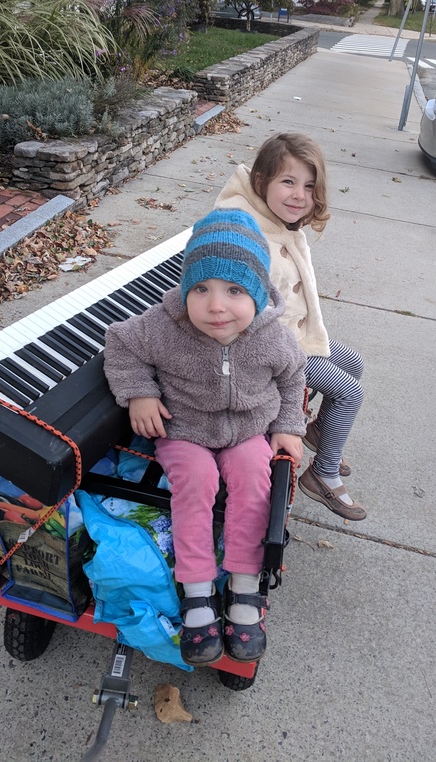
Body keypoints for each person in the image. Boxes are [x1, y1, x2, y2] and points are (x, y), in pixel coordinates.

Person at [103, 208, 306, 667]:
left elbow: (294, 377)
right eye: (201, 289)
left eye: (234, 290)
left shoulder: (272, 337)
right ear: (185, 289)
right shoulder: (164, 325)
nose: (216, 306)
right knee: (194, 483)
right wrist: (139, 394)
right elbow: (121, 344)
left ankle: (245, 585)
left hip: (249, 429)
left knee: (255, 480)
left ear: (257, 292)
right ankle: (197, 590)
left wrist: (288, 425)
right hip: (186, 430)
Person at [215, 133, 366, 522]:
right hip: (263, 349)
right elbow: (242, 317)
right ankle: (323, 474)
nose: (300, 195)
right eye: (288, 182)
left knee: (353, 363)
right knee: (350, 393)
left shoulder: (276, 219)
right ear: (261, 180)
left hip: (288, 335)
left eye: (310, 186)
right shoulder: (243, 231)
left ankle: (318, 433)